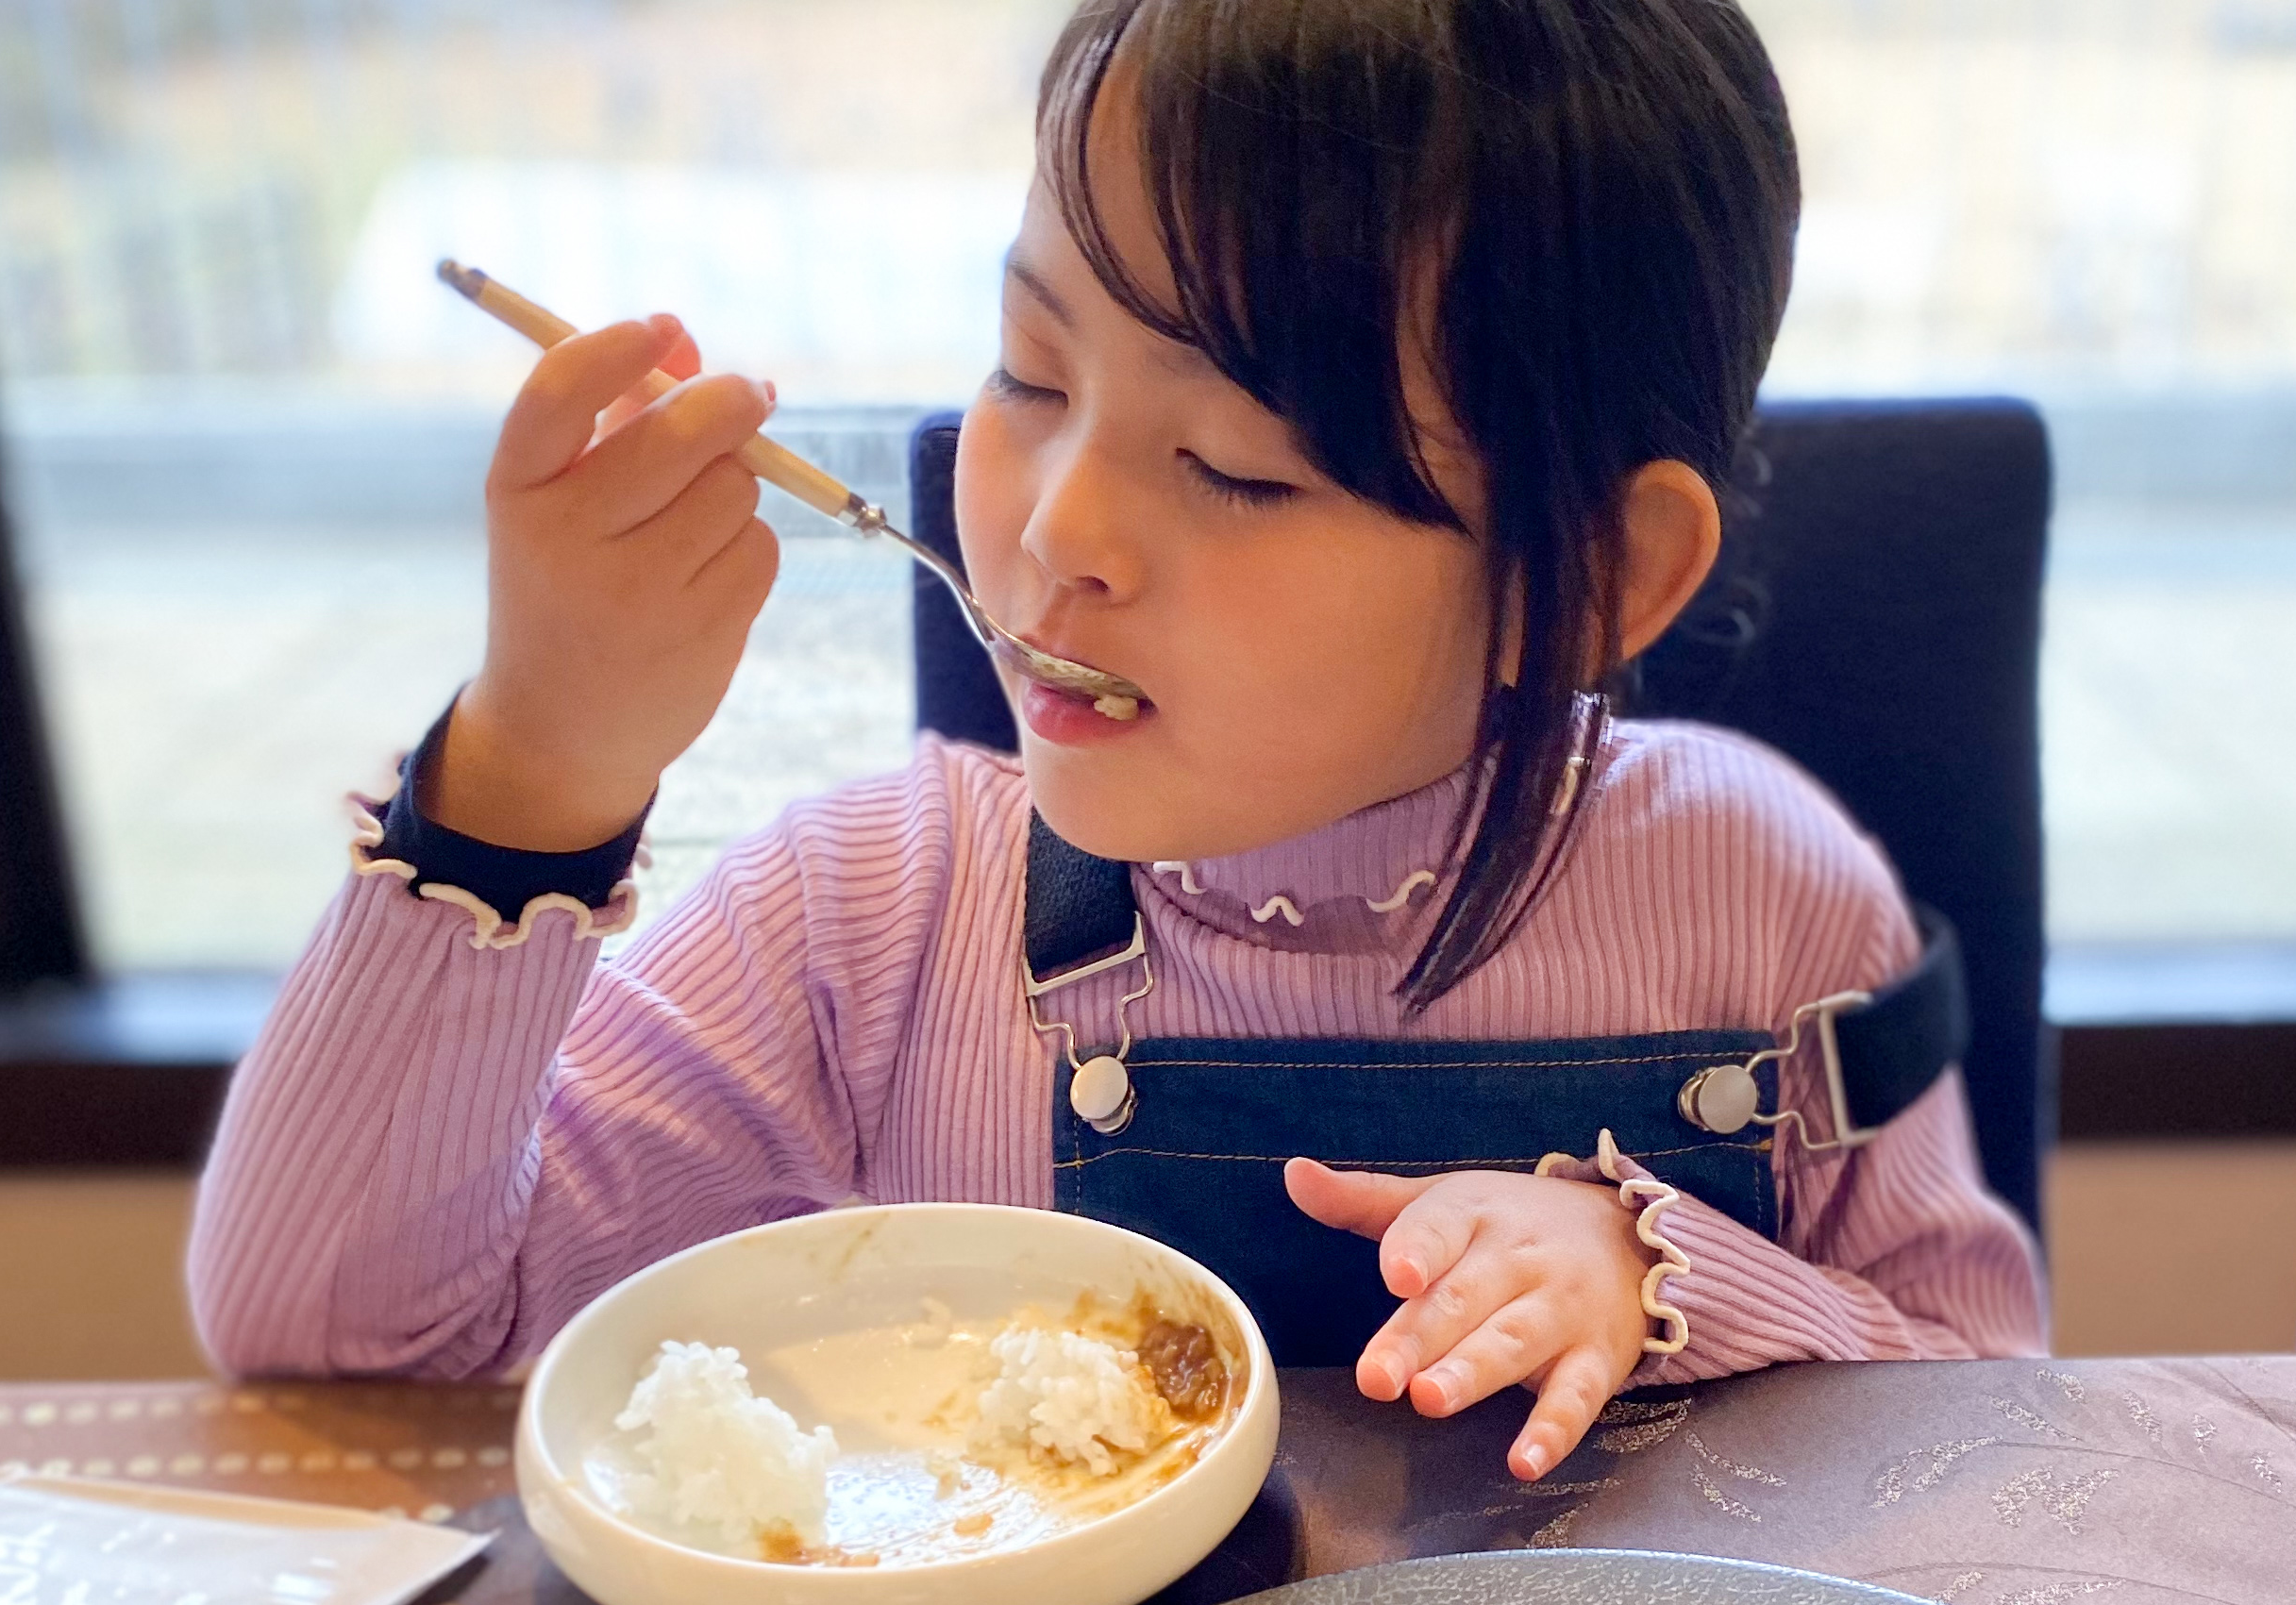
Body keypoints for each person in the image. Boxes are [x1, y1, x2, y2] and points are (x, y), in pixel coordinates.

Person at [189, 0, 2044, 1482]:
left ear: (1589, 580)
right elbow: (345, 1341)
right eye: (1032, 373)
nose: (1061, 524)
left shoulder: (1769, 893)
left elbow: (2004, 1419)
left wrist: (1670, 1277)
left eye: (1235, 467)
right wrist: (531, 772)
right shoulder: (876, 913)